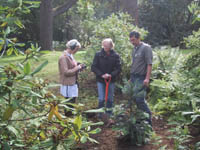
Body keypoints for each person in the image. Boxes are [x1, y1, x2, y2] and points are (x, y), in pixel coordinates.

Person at [91, 38, 121, 118]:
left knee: (110, 98)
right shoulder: (98, 54)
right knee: (101, 98)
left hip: (111, 80)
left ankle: (109, 114)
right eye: (104, 45)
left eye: (107, 46)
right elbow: (94, 67)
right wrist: (101, 74)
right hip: (101, 79)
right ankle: (100, 114)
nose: (105, 47)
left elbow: (118, 68)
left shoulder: (115, 55)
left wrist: (111, 75)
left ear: (111, 46)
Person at [129, 31, 153, 125]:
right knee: (135, 98)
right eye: (131, 40)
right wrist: (131, 78)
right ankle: (141, 119)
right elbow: (134, 64)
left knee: (139, 99)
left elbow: (149, 64)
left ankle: (148, 121)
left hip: (141, 77)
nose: (132, 42)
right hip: (134, 77)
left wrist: (147, 78)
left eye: (134, 40)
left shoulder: (146, 48)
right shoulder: (134, 49)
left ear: (139, 38)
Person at [58, 39, 84, 115]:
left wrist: (78, 65)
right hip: (67, 84)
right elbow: (66, 72)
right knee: (68, 103)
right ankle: (67, 119)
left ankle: (71, 118)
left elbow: (72, 66)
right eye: (76, 49)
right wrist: (77, 68)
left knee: (73, 102)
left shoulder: (70, 56)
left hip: (73, 82)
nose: (77, 51)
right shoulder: (63, 57)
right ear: (72, 48)